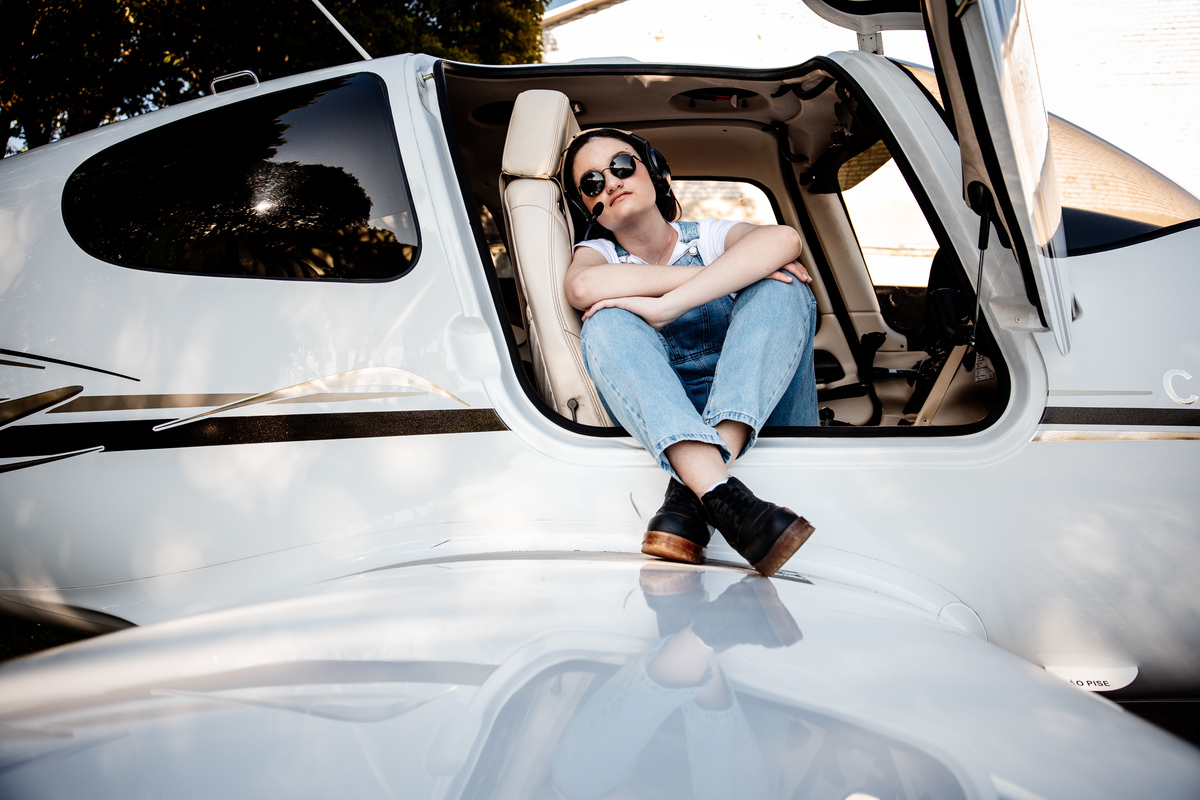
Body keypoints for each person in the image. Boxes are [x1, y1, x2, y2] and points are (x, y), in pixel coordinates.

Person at [561, 128, 819, 577]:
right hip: (669, 422)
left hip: (770, 415)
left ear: (652, 170)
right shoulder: (598, 254)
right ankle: (724, 496)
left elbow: (784, 241)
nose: (612, 182)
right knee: (605, 321)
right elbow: (583, 287)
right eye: (593, 182)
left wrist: (665, 306)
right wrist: (738, 272)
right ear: (587, 206)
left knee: (785, 288)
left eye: (621, 166)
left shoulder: (708, 236)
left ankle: (692, 490)